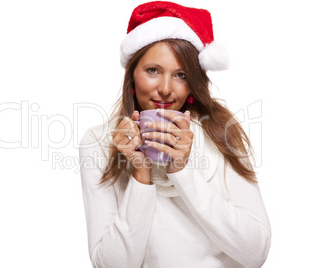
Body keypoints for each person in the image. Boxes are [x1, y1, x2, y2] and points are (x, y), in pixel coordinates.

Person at [79, 1, 271, 267]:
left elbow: (256, 253)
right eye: (153, 70)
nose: (166, 89)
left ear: (193, 83)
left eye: (181, 74)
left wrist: (182, 170)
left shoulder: (220, 131)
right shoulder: (99, 143)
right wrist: (141, 174)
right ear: (132, 75)